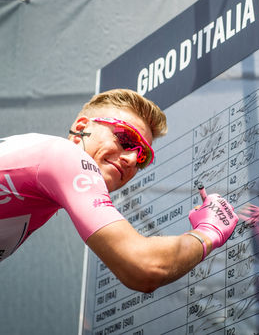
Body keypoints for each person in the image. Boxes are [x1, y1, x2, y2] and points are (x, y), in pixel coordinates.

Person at [0, 88, 238, 293]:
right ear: (81, 128)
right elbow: (145, 266)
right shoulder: (64, 155)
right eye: (125, 138)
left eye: (142, 157)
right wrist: (209, 231)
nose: (132, 160)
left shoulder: (36, 160)